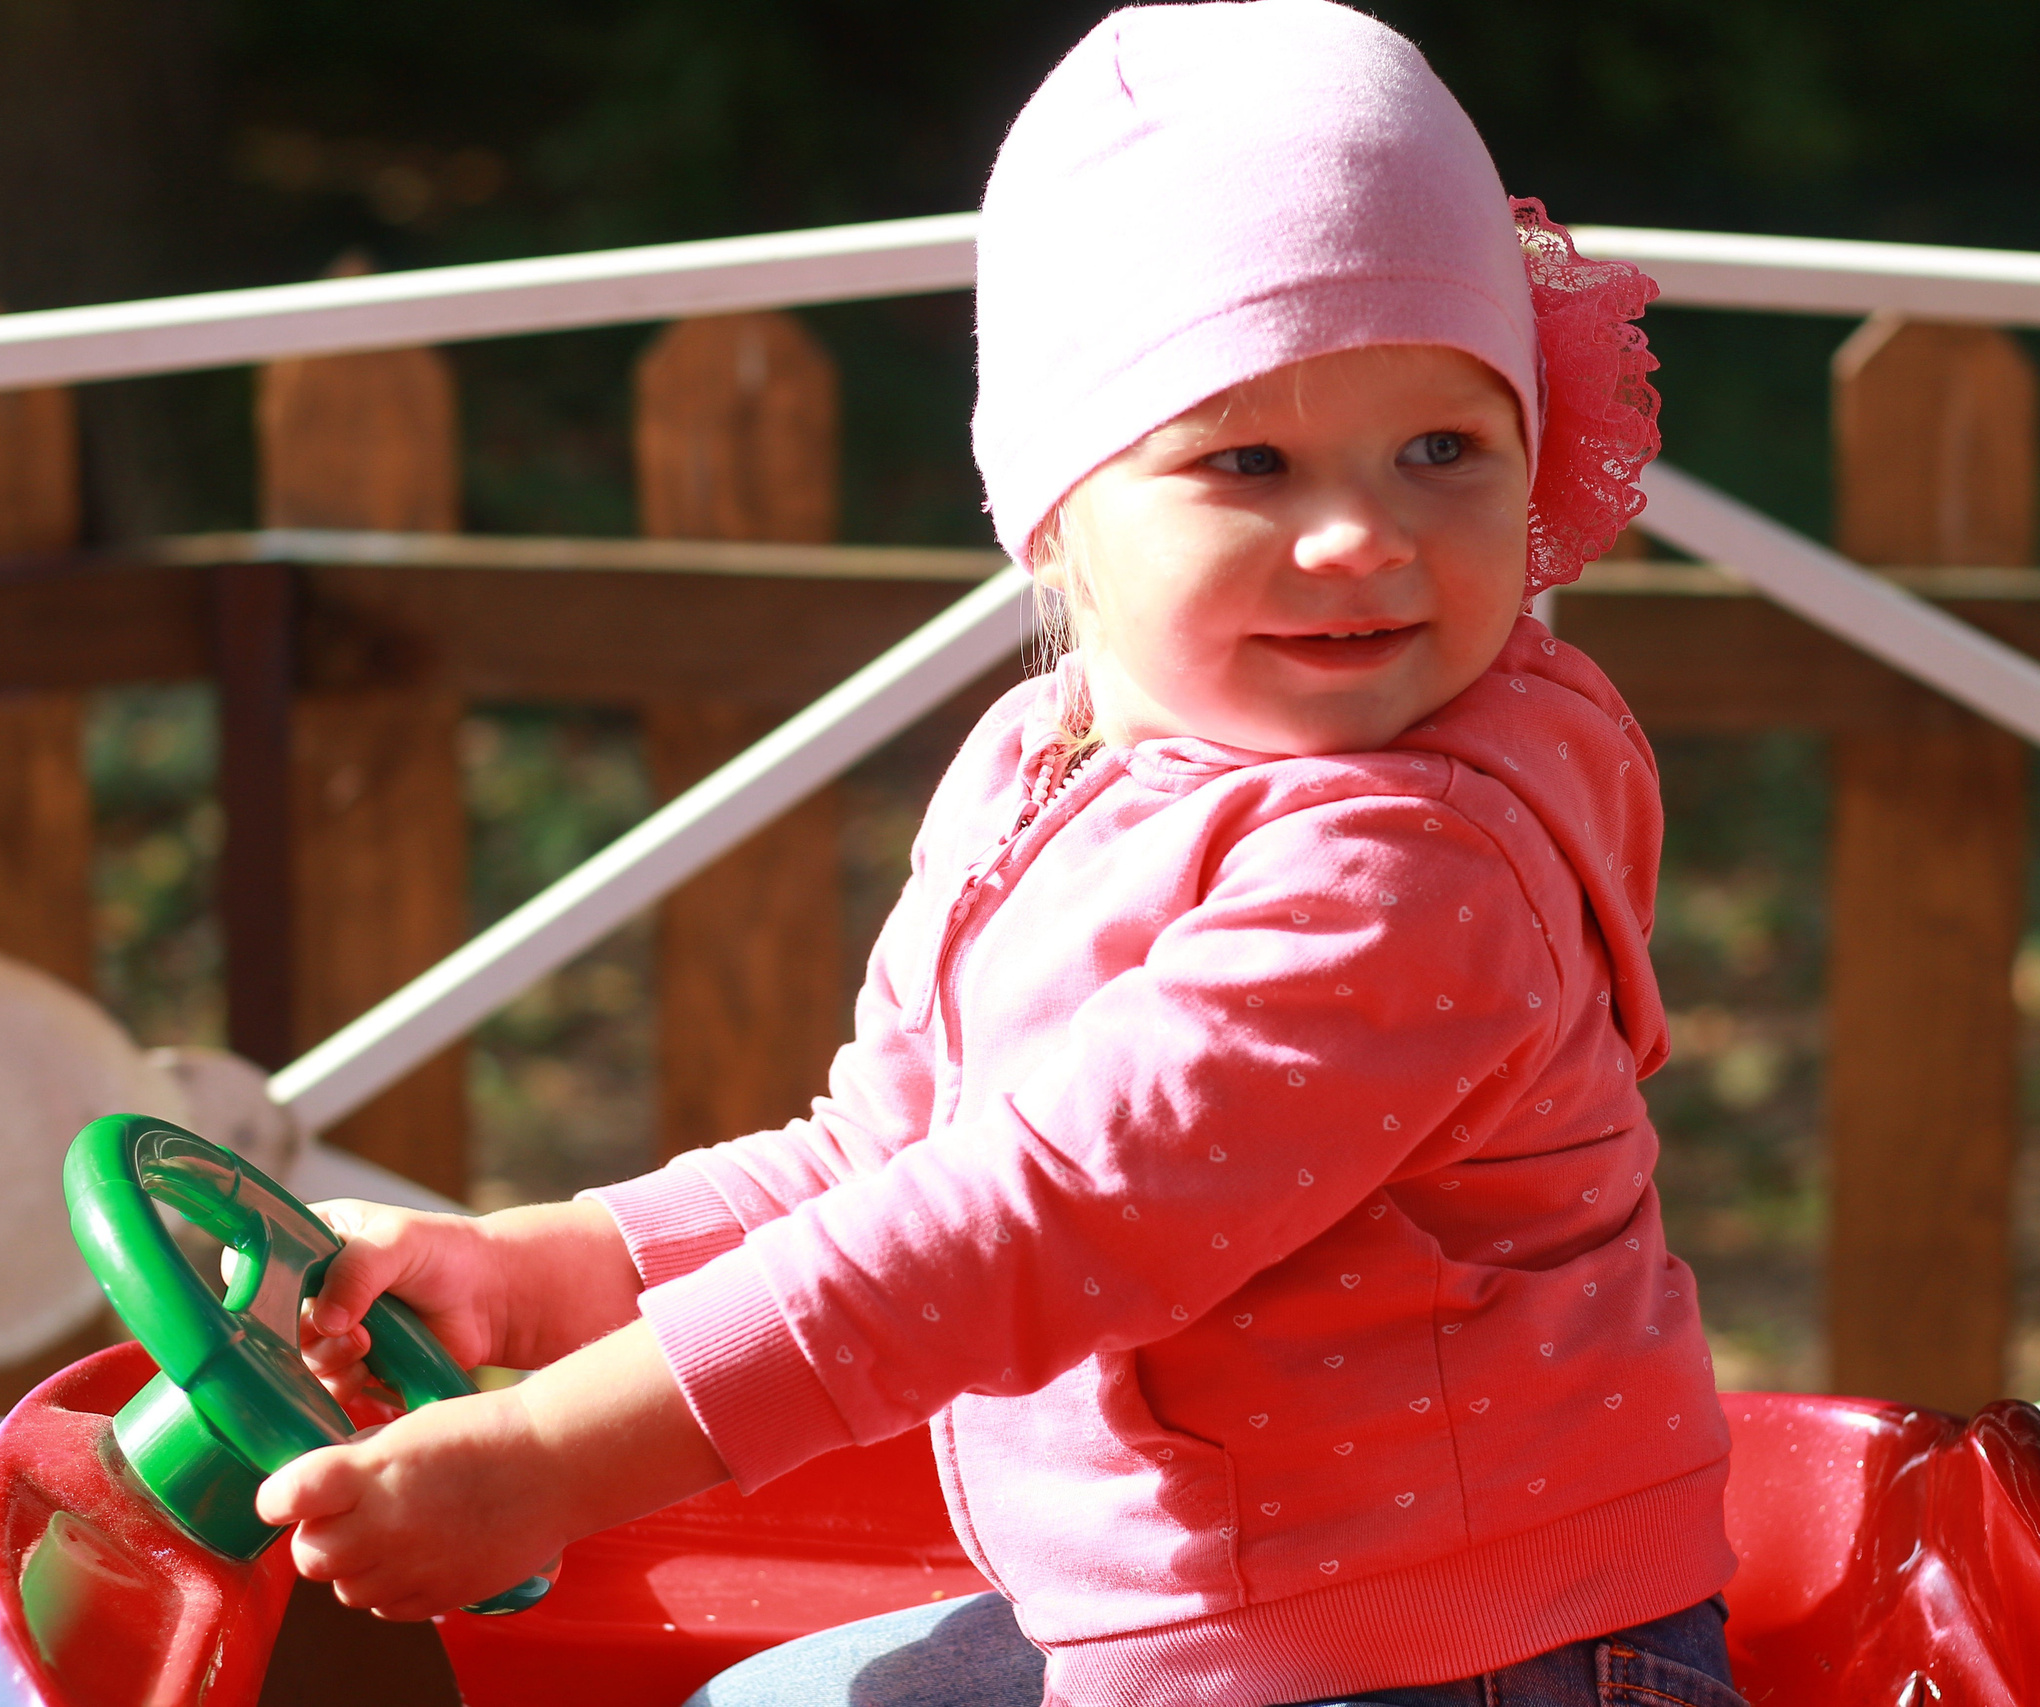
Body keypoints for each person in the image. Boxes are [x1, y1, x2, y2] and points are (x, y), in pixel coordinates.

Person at [256, 4, 1742, 1702]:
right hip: (1207, 1627)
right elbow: (884, 1156)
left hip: (1460, 1650)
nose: (1363, 534)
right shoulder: (1049, 768)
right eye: (1245, 461)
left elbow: (1026, 1221)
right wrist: (552, 1270)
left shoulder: (1414, 874)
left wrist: (562, 1463)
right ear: (1054, 505)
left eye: (1444, 450)